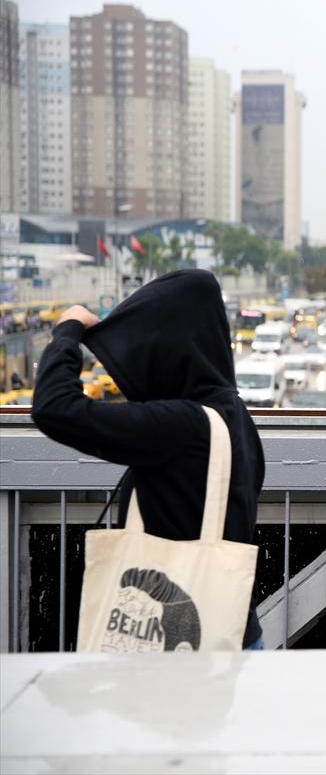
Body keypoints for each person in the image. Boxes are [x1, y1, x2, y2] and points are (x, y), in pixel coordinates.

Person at [31, 270, 266, 650]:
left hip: (170, 647)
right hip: (230, 631)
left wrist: (68, 330)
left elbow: (54, 408)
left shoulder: (181, 426)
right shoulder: (233, 416)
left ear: (166, 351)